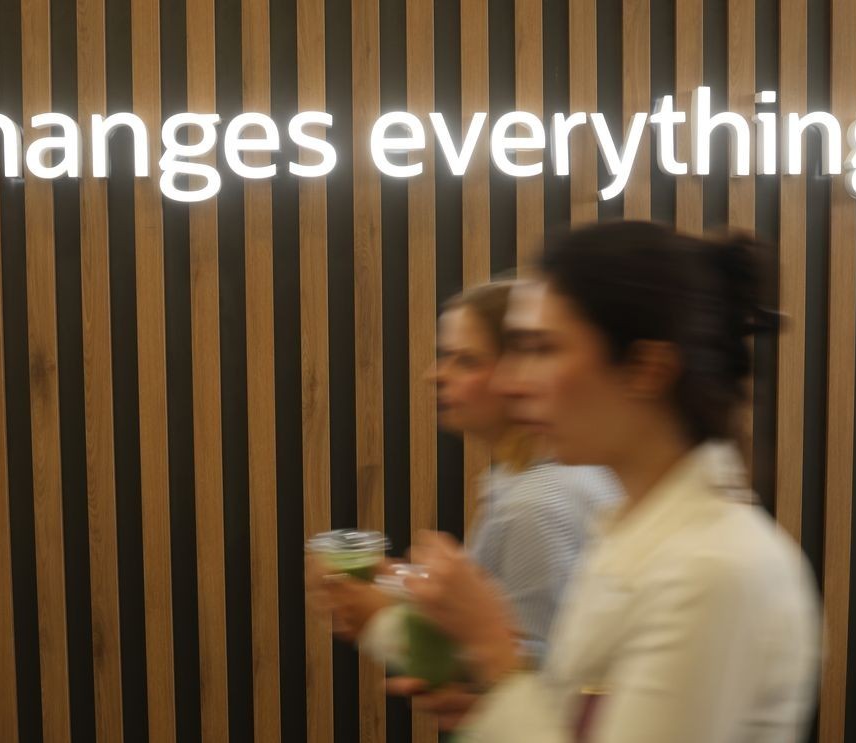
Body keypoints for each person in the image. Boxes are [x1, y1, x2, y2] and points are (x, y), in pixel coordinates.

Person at [399, 222, 822, 742]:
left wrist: (493, 651)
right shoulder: (630, 531)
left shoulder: (711, 569)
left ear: (646, 368)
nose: (510, 382)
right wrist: (491, 703)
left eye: (542, 349)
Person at [307, 281, 619, 663]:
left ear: (519, 374)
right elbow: (497, 621)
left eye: (466, 361)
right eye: (444, 356)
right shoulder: (547, 476)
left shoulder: (533, 505)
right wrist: (398, 584)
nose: (434, 375)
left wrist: (383, 622)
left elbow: (530, 673)